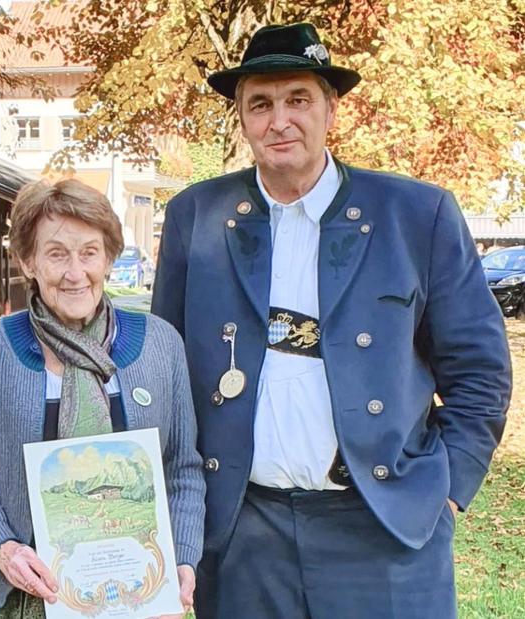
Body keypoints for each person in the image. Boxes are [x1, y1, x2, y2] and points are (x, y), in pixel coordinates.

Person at [151, 22, 511, 619]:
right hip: (244, 533)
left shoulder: (417, 214)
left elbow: (480, 370)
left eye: (298, 99)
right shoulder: (197, 216)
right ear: (241, 118)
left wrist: (445, 495)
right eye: (260, 104)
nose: (279, 120)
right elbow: (164, 369)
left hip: (384, 530)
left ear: (331, 109)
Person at [0, 179, 204, 618]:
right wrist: (2, 549)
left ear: (108, 257)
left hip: (141, 596)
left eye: (89, 252)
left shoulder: (161, 344)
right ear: (28, 261)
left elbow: (182, 468)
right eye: (56, 253)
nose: (75, 271)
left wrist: (182, 556)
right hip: (24, 599)